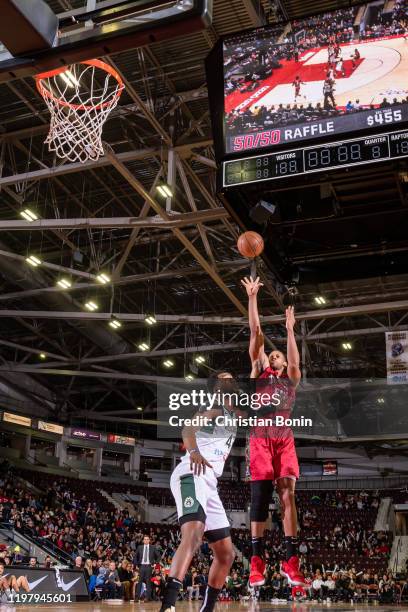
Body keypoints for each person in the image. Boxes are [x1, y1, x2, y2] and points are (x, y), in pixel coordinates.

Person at [159, 372, 241, 612]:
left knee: (227, 555)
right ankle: (168, 606)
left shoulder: (233, 412)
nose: (230, 379)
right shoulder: (213, 405)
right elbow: (188, 429)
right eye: (224, 377)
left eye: (231, 377)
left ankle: (207, 609)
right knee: (194, 535)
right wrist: (193, 450)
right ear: (216, 386)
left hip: (210, 481)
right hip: (192, 470)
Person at [241, 276, 304, 588]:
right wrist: (253, 299)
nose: (276, 356)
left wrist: (291, 330)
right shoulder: (258, 371)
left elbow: (294, 359)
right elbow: (257, 333)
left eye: (279, 355)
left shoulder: (290, 378)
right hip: (261, 437)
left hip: (284, 437)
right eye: (273, 354)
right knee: (260, 497)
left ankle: (291, 559)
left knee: (288, 495)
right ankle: (257, 559)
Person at [134, 535, 160, 601]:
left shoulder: (153, 547)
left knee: (148, 582)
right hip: (141, 566)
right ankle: (137, 597)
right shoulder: (139, 547)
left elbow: (159, 556)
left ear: (149, 540)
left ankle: (147, 598)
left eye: (147, 539)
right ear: (143, 540)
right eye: (144, 539)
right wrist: (136, 564)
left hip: (149, 566)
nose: (146, 540)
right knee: (139, 581)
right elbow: (135, 556)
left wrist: (155, 563)